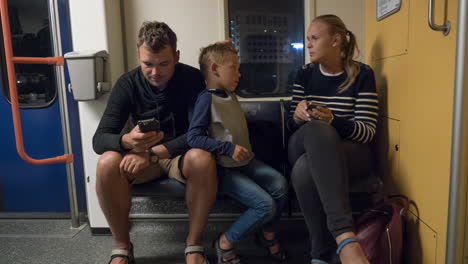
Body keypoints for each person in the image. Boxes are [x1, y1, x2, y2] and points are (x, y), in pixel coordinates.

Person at [93, 21, 216, 264]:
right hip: (144, 159)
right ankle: (121, 246)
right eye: (147, 64)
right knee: (106, 162)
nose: (155, 73)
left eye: (164, 64)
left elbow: (198, 134)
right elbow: (99, 140)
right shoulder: (127, 83)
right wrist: (128, 141)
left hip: (181, 156)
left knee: (202, 158)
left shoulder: (192, 79)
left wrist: (151, 154)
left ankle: (193, 245)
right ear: (138, 55)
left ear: (177, 57)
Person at [288, 15, 378, 264]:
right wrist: (296, 116)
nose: (309, 45)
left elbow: (368, 132)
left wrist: (334, 120)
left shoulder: (362, 74)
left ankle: (319, 254)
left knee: (305, 168)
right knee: (317, 131)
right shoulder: (305, 74)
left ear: (336, 40)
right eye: (308, 39)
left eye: (315, 38)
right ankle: (346, 238)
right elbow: (289, 128)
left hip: (347, 151)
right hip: (304, 142)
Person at [187, 43, 288, 264]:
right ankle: (225, 241)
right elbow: (193, 137)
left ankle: (266, 234)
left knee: (280, 185)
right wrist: (228, 148)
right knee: (265, 205)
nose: (239, 74)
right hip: (225, 169)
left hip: (245, 162)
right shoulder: (206, 99)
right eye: (234, 68)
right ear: (214, 69)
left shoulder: (230, 95)